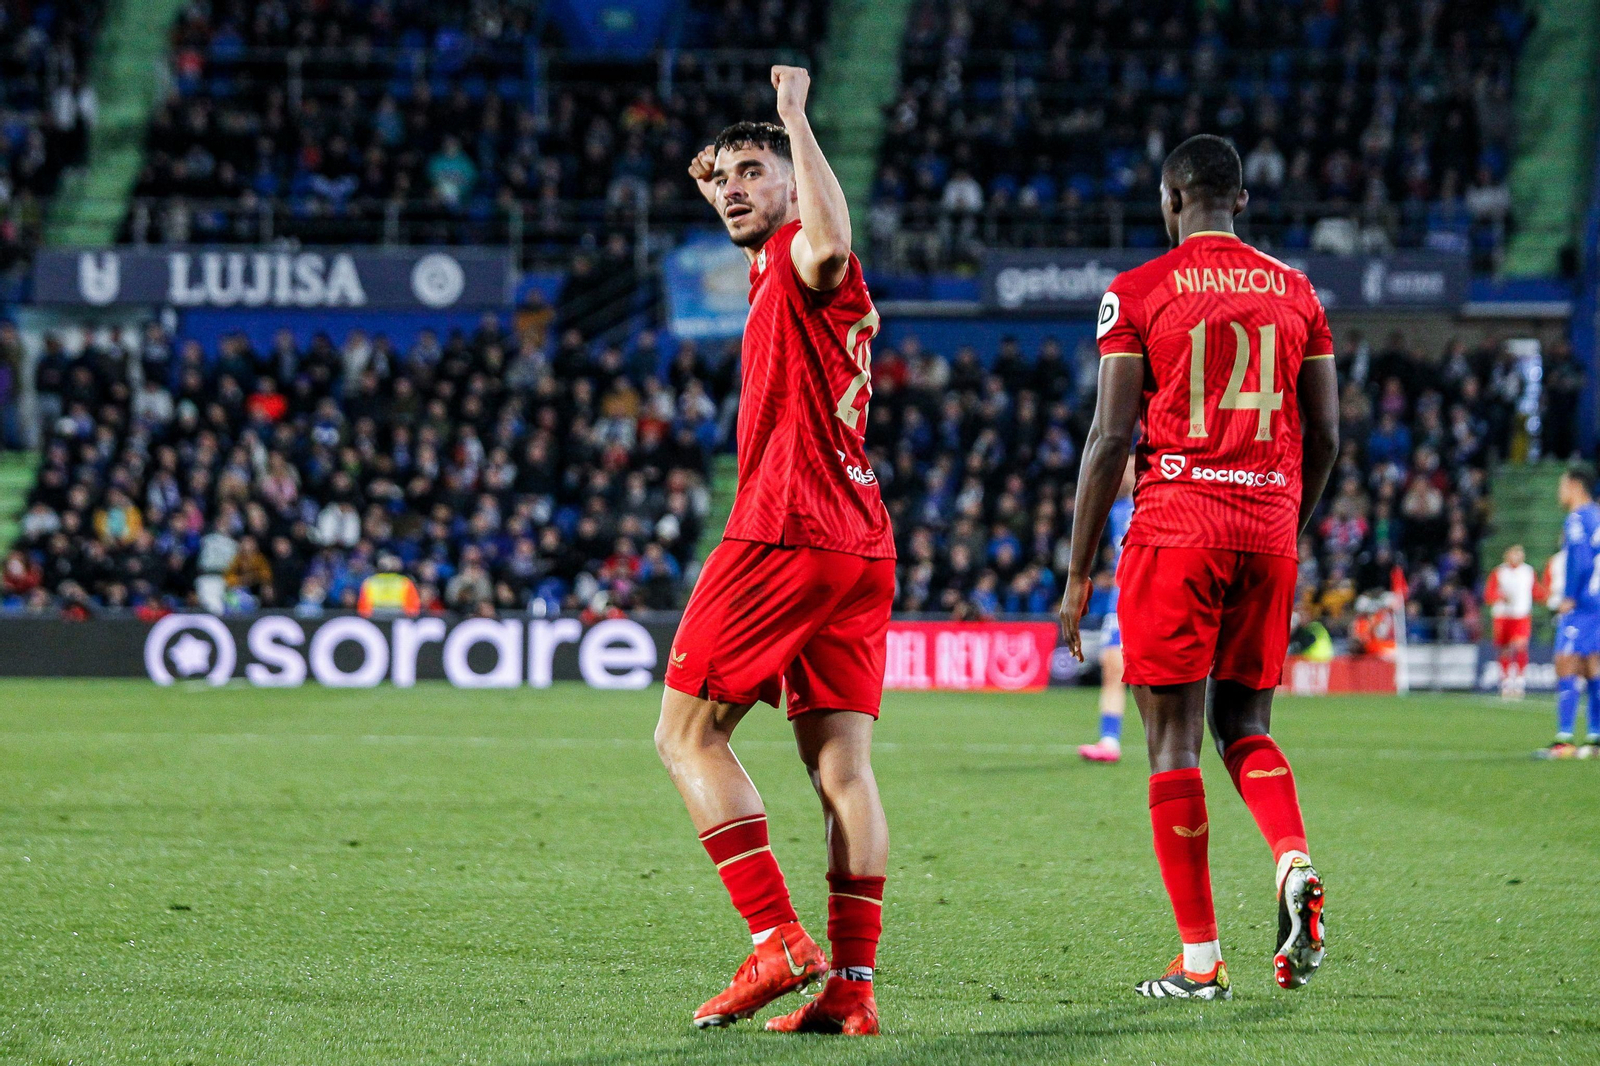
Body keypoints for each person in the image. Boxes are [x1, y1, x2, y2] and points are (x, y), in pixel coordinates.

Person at [1059, 135, 1340, 1001]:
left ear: (1169, 200)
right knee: (1246, 725)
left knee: (1172, 738)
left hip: (1177, 524)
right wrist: (1285, 521)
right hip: (1267, 528)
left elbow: (1110, 439)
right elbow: (1326, 436)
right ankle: (1292, 861)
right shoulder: (1299, 294)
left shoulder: (1138, 291)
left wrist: (1076, 574)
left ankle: (1201, 962)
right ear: (1242, 201)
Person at [654, 66, 894, 1037]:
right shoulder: (767, 260)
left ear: (795, 179)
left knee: (684, 735)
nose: (733, 189)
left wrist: (794, 118)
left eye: (753, 172)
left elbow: (829, 236)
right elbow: (732, 193)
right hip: (856, 540)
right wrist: (718, 165)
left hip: (784, 528)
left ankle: (775, 939)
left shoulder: (804, 247)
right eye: (723, 181)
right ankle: (852, 988)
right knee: (842, 771)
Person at [1542, 462, 1600, 759]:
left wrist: (1570, 596)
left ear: (1576, 486)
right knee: (1593, 665)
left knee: (1565, 661)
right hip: (1598, 603)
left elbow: (1582, 561)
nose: (1559, 491)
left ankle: (1564, 739)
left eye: (1562, 484)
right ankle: (1595, 739)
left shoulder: (1577, 518)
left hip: (1584, 604)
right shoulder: (1598, 516)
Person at [1080, 457, 1135, 762]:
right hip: (1120, 596)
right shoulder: (1117, 509)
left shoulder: (1160, 504)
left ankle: (1175, 744)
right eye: (1122, 468)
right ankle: (1109, 740)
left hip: (1153, 594)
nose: (1124, 474)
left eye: (1130, 469)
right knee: (1112, 666)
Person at [1484, 545, 1543, 699]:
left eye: (1519, 554)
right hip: (1503, 615)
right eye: (1514, 554)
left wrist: (1547, 596)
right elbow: (1489, 594)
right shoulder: (1499, 572)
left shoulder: (1528, 572)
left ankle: (1519, 681)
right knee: (1504, 649)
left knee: (1520, 646)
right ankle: (1505, 681)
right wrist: (1501, 597)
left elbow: (1536, 591)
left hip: (1521, 615)